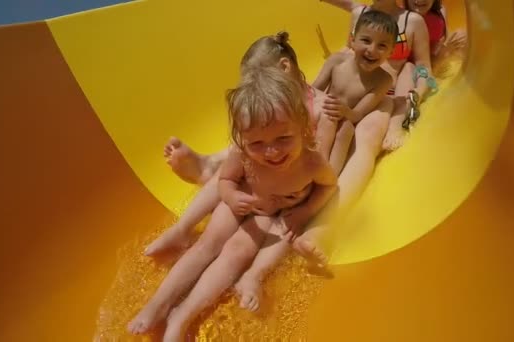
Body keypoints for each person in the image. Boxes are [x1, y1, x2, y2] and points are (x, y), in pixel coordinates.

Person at [129, 67, 338, 341]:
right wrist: (231, 196)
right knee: (206, 246)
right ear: (241, 138)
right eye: (257, 143)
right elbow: (225, 180)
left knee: (235, 254)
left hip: (273, 215)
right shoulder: (243, 156)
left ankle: (182, 316)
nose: (272, 152)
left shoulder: (311, 163)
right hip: (241, 200)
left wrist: (305, 212)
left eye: (283, 139)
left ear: (303, 127)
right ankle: (158, 304)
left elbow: (329, 185)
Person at [320, 0, 434, 150]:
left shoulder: (412, 21)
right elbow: (349, 49)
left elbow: (423, 65)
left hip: (390, 92)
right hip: (357, 86)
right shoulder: (359, 13)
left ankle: (396, 125)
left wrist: (419, 91)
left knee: (409, 67)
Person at [312, 9, 397, 174]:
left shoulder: (383, 80)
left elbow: (358, 114)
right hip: (323, 113)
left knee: (346, 129)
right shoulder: (336, 61)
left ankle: (330, 175)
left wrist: (345, 111)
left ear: (391, 52)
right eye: (366, 40)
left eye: (382, 46)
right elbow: (315, 90)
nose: (372, 50)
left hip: (346, 120)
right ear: (352, 40)